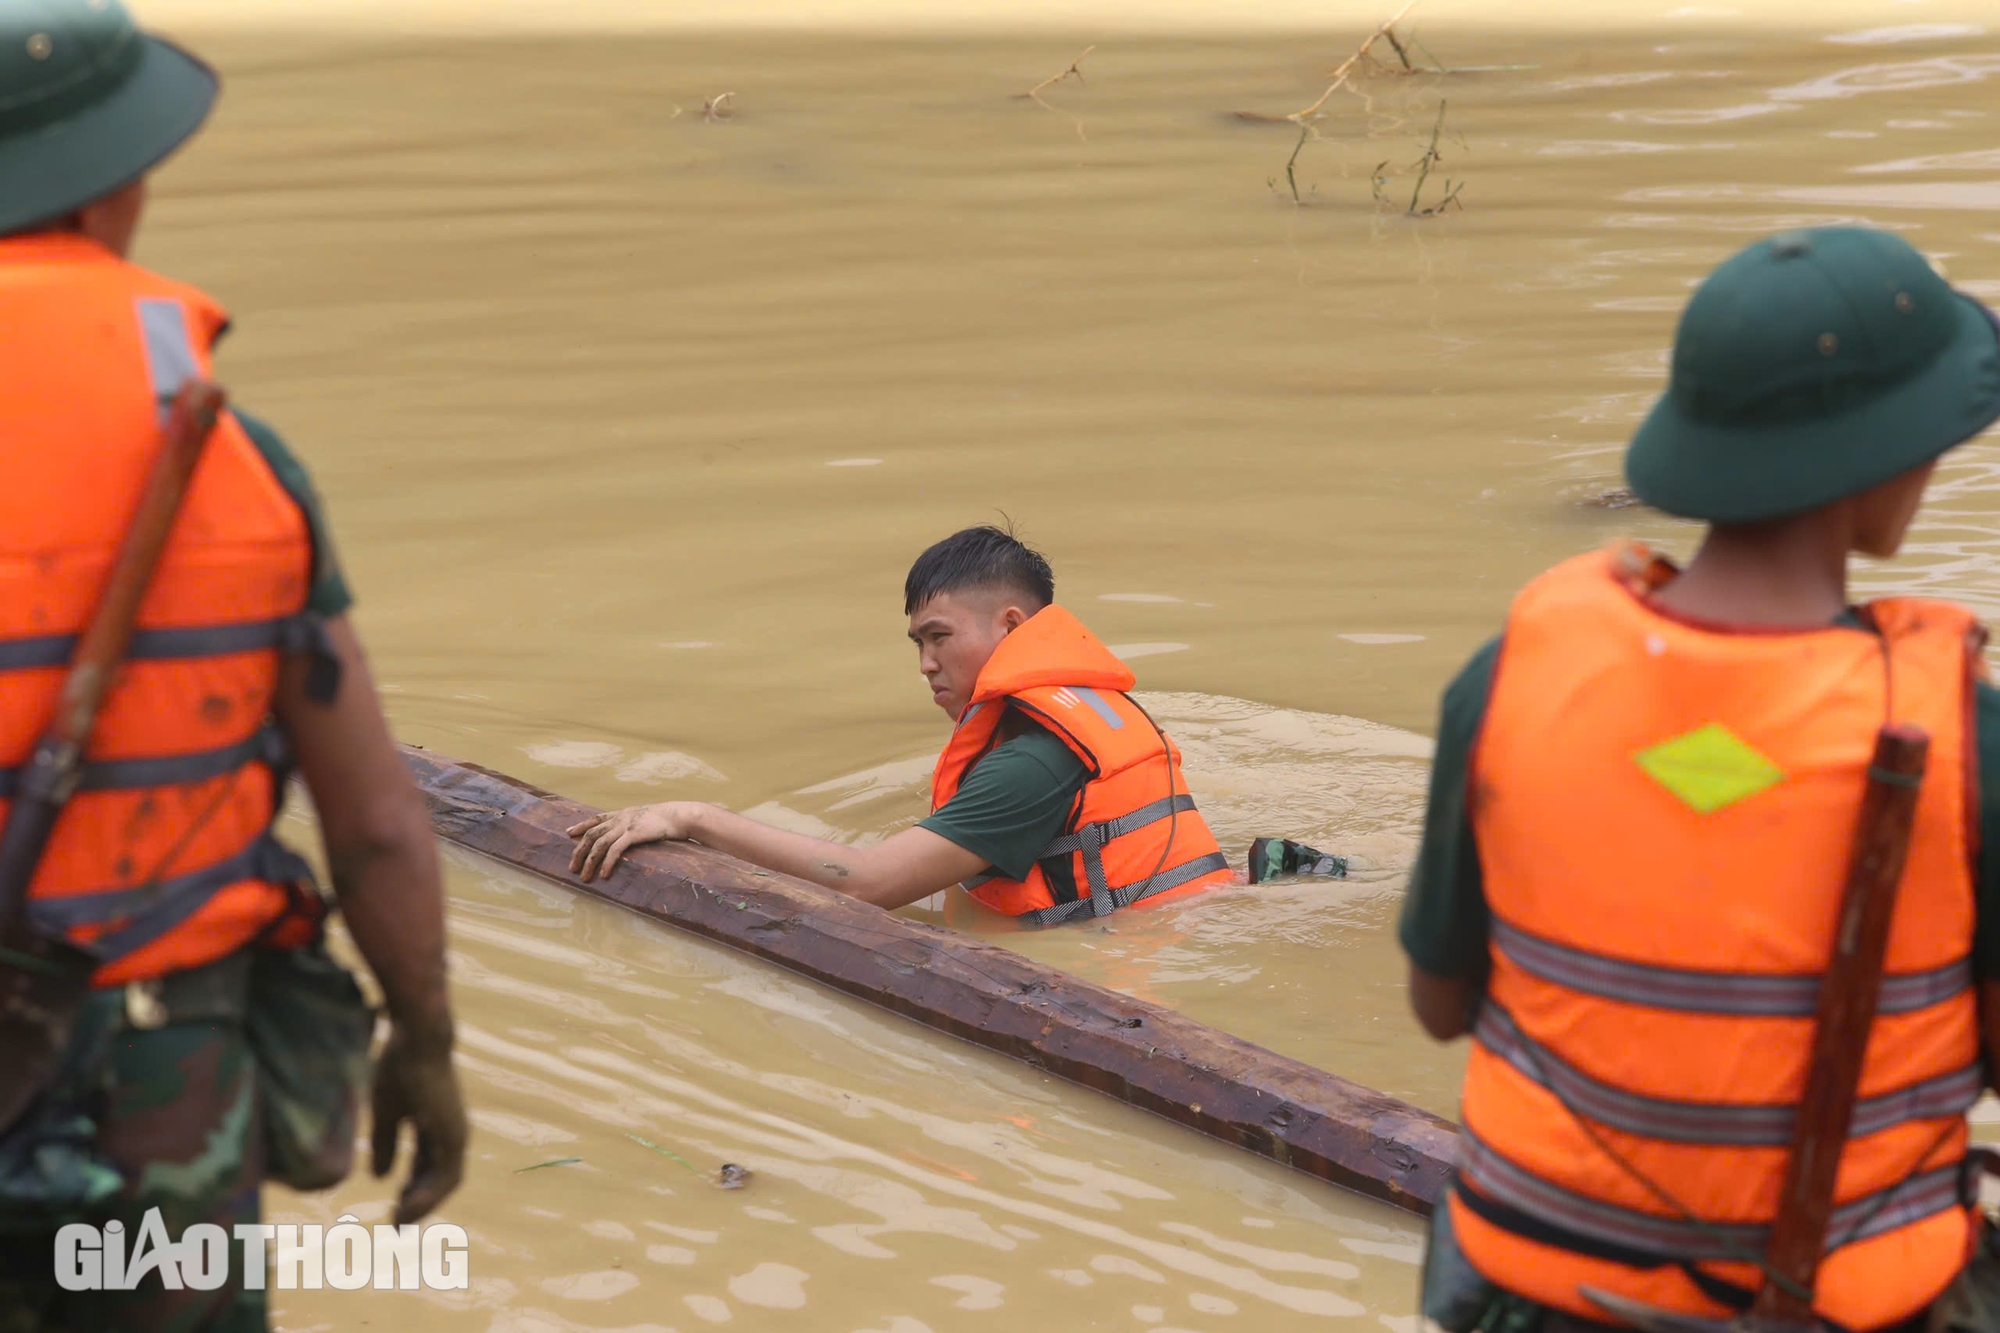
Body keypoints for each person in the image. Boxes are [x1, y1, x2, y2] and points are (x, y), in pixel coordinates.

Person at [1402, 226, 2000, 1331]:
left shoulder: (1505, 681)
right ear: (1876, 462)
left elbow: (1440, 1005)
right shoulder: (1964, 735)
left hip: (1543, 1289)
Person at [0, 3, 467, 1328]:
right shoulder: (232, 458)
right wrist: (423, 1047)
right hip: (161, 1086)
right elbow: (374, 824)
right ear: (122, 179)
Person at [570, 525, 1237, 925]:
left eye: (939, 636)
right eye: (916, 643)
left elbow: (869, 884)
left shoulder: (1032, 762)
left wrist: (696, 816)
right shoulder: (1083, 715)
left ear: (1011, 625)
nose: (925, 664)